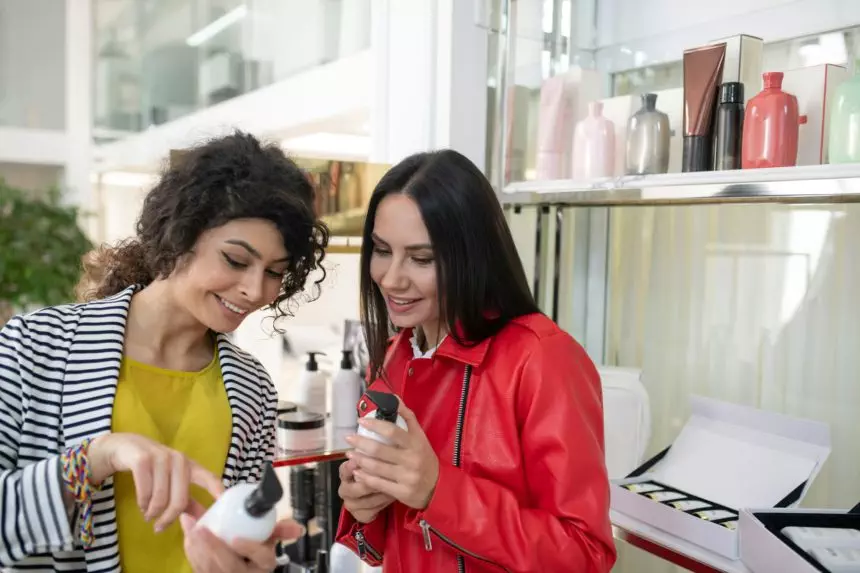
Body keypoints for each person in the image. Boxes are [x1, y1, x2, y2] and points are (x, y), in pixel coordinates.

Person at [0, 132, 328, 573]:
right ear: (180, 236)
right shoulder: (36, 346)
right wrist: (97, 458)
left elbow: (235, 537)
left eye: (274, 272)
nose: (254, 290)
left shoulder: (253, 389)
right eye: (235, 260)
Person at [335, 150, 616, 572]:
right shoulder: (394, 356)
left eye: (422, 258)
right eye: (380, 250)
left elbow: (584, 554)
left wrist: (437, 492)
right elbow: (381, 548)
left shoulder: (542, 360)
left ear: (473, 255)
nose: (391, 278)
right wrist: (364, 508)